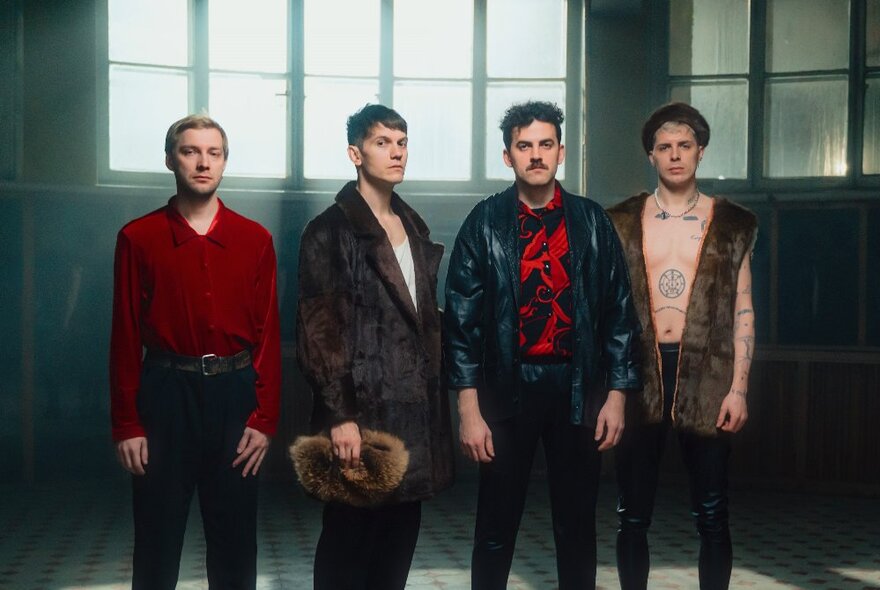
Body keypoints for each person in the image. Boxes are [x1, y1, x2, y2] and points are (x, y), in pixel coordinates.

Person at [444, 100, 642, 590]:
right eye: (524, 145)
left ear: (562, 152)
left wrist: (617, 396)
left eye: (545, 144)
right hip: (505, 389)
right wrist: (468, 410)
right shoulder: (484, 221)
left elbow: (620, 313)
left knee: (577, 525)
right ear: (507, 156)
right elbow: (461, 322)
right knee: (495, 525)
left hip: (578, 388)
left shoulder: (592, 221)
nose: (536, 155)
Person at [110, 114, 281, 589]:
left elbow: (267, 334)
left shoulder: (254, 239)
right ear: (170, 159)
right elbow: (124, 335)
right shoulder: (137, 238)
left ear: (225, 162)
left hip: (234, 395)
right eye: (190, 151)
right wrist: (127, 422)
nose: (203, 162)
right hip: (165, 394)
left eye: (214, 153)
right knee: (157, 538)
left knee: (234, 541)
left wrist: (264, 419)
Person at [295, 104, 454, 590]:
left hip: (413, 409)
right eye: (382, 142)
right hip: (359, 411)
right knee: (347, 545)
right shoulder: (329, 230)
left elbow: (421, 320)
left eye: (401, 143)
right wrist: (340, 415)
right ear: (355, 153)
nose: (396, 152)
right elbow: (320, 331)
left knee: (397, 545)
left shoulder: (414, 227)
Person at [607, 102, 757, 590]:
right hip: (637, 373)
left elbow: (743, 309)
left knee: (712, 512)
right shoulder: (622, 220)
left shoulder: (731, 222)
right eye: (664, 147)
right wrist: (608, 388)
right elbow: (604, 312)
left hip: (708, 373)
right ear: (651, 156)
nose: (675, 156)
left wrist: (737, 389)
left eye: (684, 146)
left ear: (701, 152)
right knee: (632, 513)